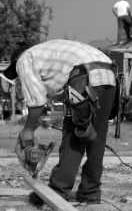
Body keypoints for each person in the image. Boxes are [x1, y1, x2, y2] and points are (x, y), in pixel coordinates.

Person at [3, 40, 117, 205]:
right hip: (108, 73)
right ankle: (91, 192)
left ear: (16, 62)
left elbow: (36, 102)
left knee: (74, 135)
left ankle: (57, 191)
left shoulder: (25, 59)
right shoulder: (49, 53)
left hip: (84, 76)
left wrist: (28, 130)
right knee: (96, 137)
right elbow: (51, 93)